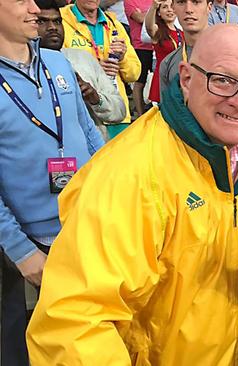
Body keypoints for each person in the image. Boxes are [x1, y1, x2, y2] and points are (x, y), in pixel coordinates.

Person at [26, 24, 238, 365]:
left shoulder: (234, 151)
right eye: (222, 80)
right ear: (187, 78)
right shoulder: (133, 173)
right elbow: (73, 323)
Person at [0, 0, 104, 362]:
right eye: (22, 0)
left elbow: (87, 131)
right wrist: (21, 251)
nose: (34, 9)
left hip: (83, 228)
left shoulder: (58, 62)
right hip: (28, 249)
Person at [37, 0, 126, 140]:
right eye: (42, 22)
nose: (52, 27)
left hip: (91, 153)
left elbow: (119, 111)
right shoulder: (18, 67)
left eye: (58, 21)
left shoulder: (83, 59)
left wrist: (95, 98)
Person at [60, 0, 140, 137]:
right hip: (83, 114)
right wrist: (95, 69)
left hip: (117, 115)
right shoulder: (60, 22)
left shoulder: (114, 24)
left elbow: (134, 74)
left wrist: (122, 58)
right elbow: (57, 66)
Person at [158, 0, 212, 97]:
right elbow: (167, 109)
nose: (188, 10)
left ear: (209, 7)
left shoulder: (231, 55)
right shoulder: (167, 64)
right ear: (173, 7)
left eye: (196, 2)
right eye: (181, 2)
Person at [144, 0, 183, 103]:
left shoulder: (182, 33)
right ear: (159, 12)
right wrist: (153, 7)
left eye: (171, 7)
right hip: (162, 80)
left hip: (179, 80)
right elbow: (149, 27)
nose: (169, 10)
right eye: (165, 7)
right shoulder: (158, 30)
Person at [124, 0, 153, 118]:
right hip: (140, 46)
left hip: (158, 44)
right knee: (140, 81)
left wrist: (146, 14)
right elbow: (140, 18)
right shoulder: (129, 2)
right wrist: (154, 13)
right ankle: (141, 115)